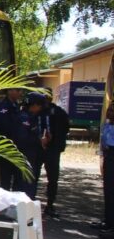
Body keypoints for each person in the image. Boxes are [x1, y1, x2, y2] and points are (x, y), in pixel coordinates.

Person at [40, 89, 70, 217]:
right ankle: (48, 205)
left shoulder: (58, 112)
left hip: (51, 149)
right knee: (43, 177)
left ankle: (50, 205)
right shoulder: (37, 111)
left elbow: (65, 129)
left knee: (52, 179)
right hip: (41, 148)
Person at [13, 92, 47, 199]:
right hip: (25, 157)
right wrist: (39, 141)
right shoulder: (24, 118)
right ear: (34, 105)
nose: (40, 109)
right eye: (40, 106)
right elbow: (22, 138)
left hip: (32, 157)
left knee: (29, 185)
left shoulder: (33, 117)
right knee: (24, 186)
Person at [0, 88, 23, 191]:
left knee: (17, 177)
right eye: (18, 90)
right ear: (10, 91)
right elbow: (5, 126)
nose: (20, 93)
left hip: (16, 146)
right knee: (6, 177)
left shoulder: (16, 105)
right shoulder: (4, 106)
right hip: (6, 146)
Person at [98, 107, 114, 239]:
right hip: (108, 158)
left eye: (112, 111)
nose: (109, 113)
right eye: (109, 110)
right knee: (108, 192)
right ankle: (108, 221)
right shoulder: (108, 125)